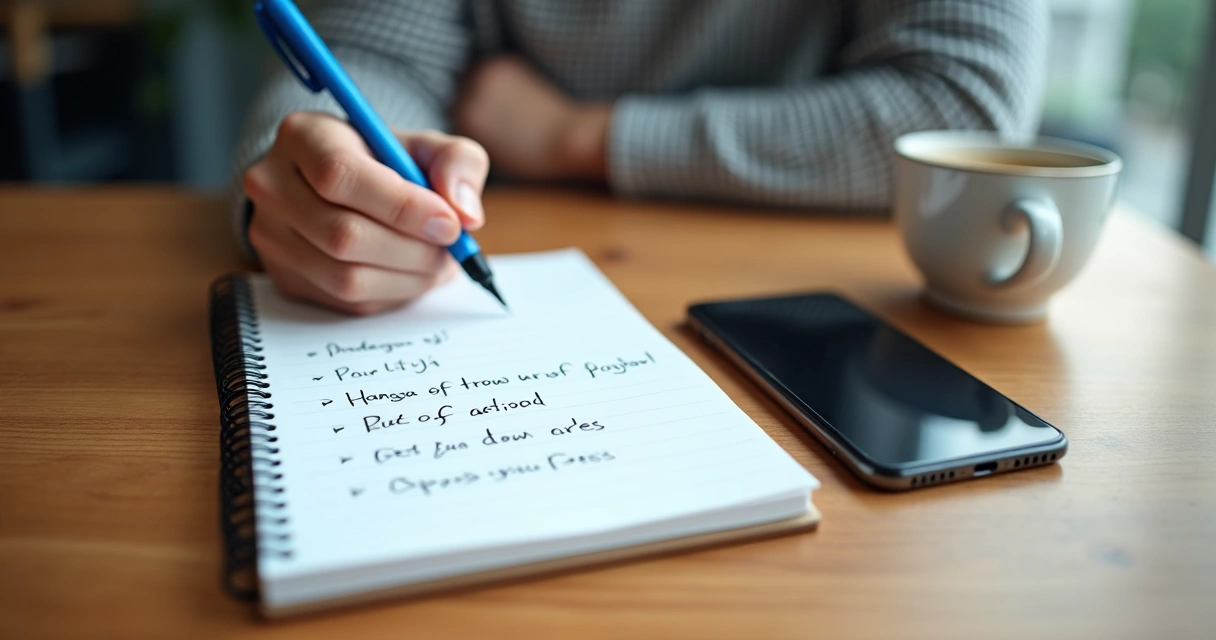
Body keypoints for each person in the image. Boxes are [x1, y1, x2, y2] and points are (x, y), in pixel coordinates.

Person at [235, 0, 1047, 315]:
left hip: (809, 286)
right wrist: (322, 173)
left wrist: (579, 137)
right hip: (486, 234)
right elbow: (368, 60)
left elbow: (962, 105)